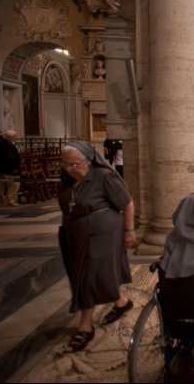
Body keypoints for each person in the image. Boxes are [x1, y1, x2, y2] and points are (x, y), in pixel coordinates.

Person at [58, 141, 136, 352]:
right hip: (75, 234)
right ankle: (121, 302)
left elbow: (127, 203)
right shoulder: (67, 178)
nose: (70, 169)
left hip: (103, 234)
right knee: (95, 274)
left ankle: (85, 327)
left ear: (89, 160)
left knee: (87, 276)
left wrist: (129, 231)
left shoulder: (104, 177)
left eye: (75, 164)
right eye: (66, 164)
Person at [0, 130, 21, 207]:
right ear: (10, 137)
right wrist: (14, 168)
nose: (16, 138)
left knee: (0, 186)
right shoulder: (8, 145)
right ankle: (9, 199)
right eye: (15, 137)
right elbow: (10, 157)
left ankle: (2, 201)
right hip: (9, 169)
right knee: (15, 184)